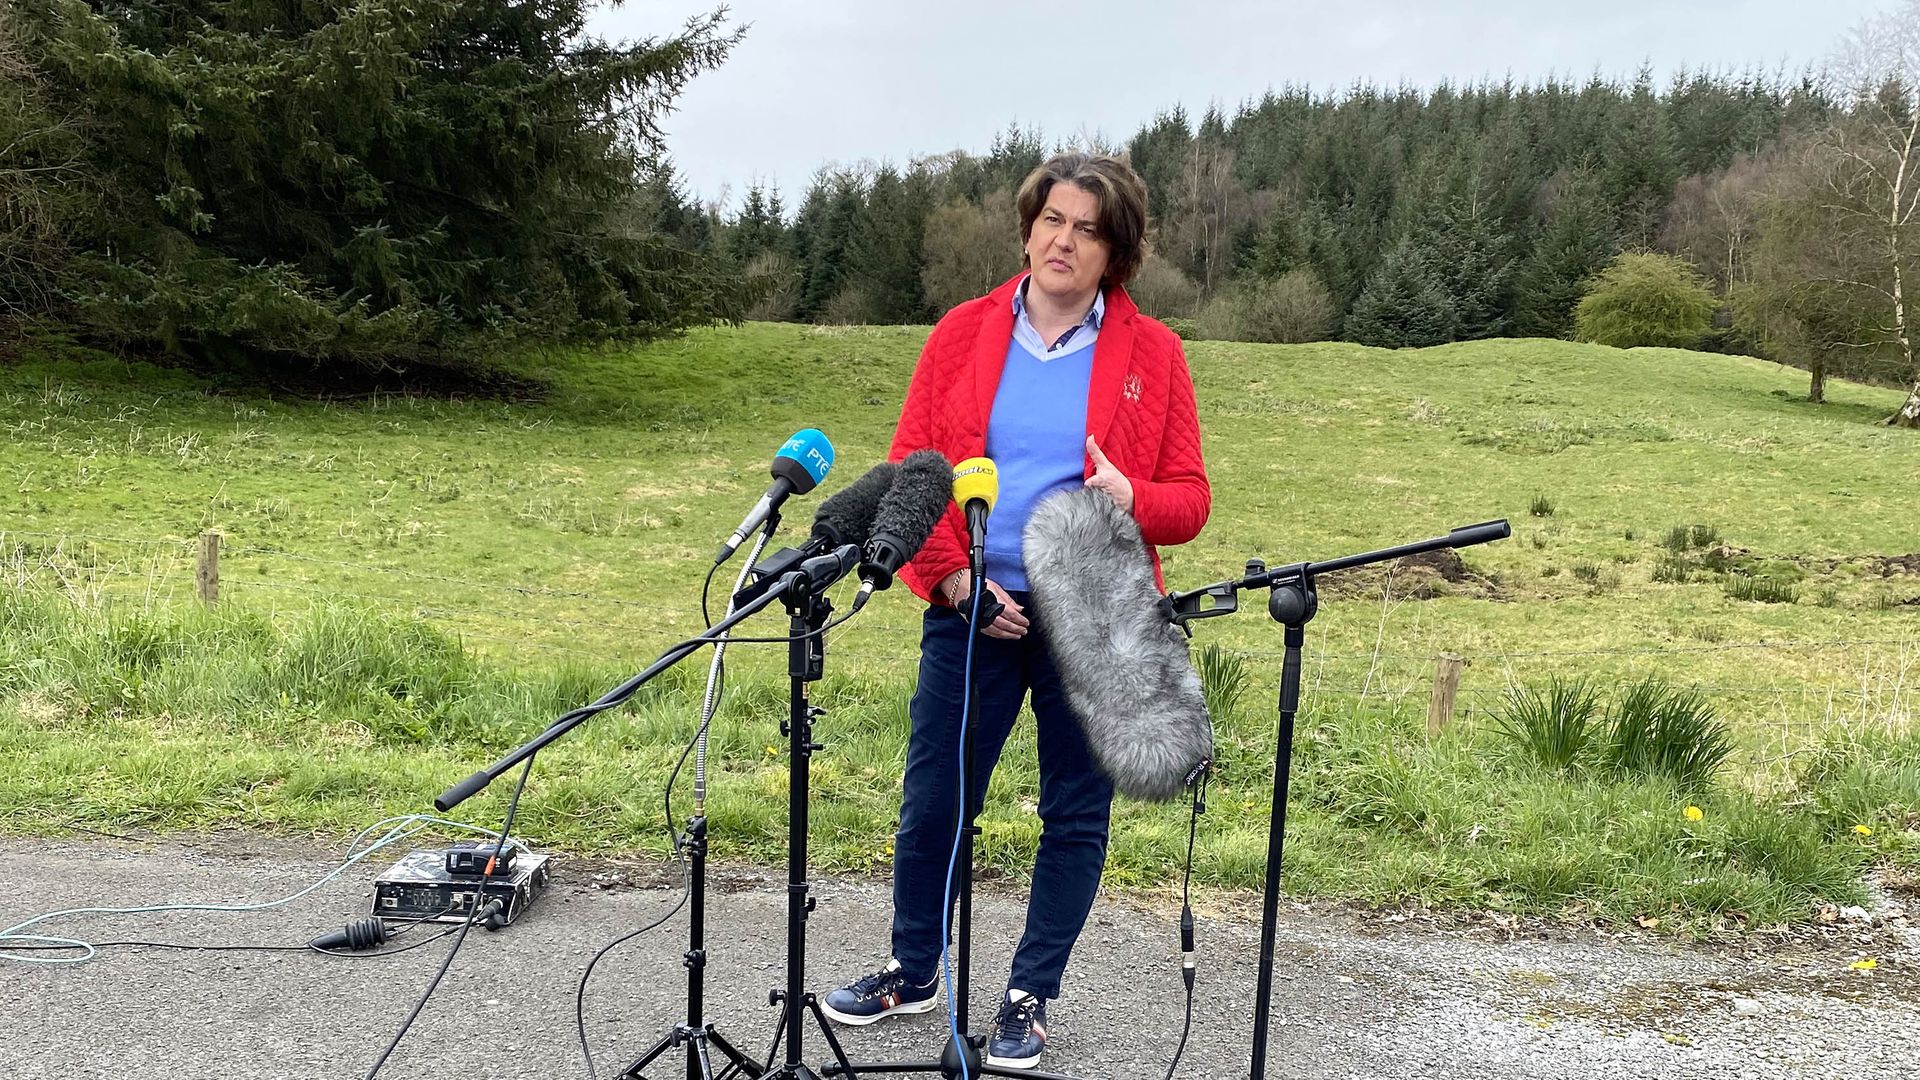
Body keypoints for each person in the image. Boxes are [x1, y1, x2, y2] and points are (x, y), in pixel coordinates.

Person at [818, 152, 1211, 1070]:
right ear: (1029, 227)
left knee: (1074, 815)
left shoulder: (1153, 354)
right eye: (1052, 220)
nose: (1063, 240)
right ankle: (915, 969)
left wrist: (1131, 498)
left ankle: (1030, 996)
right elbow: (912, 472)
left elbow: (1188, 500)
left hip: (1098, 613)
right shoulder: (961, 332)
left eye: (1087, 229)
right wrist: (953, 580)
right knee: (933, 803)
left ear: (1116, 252)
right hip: (970, 604)